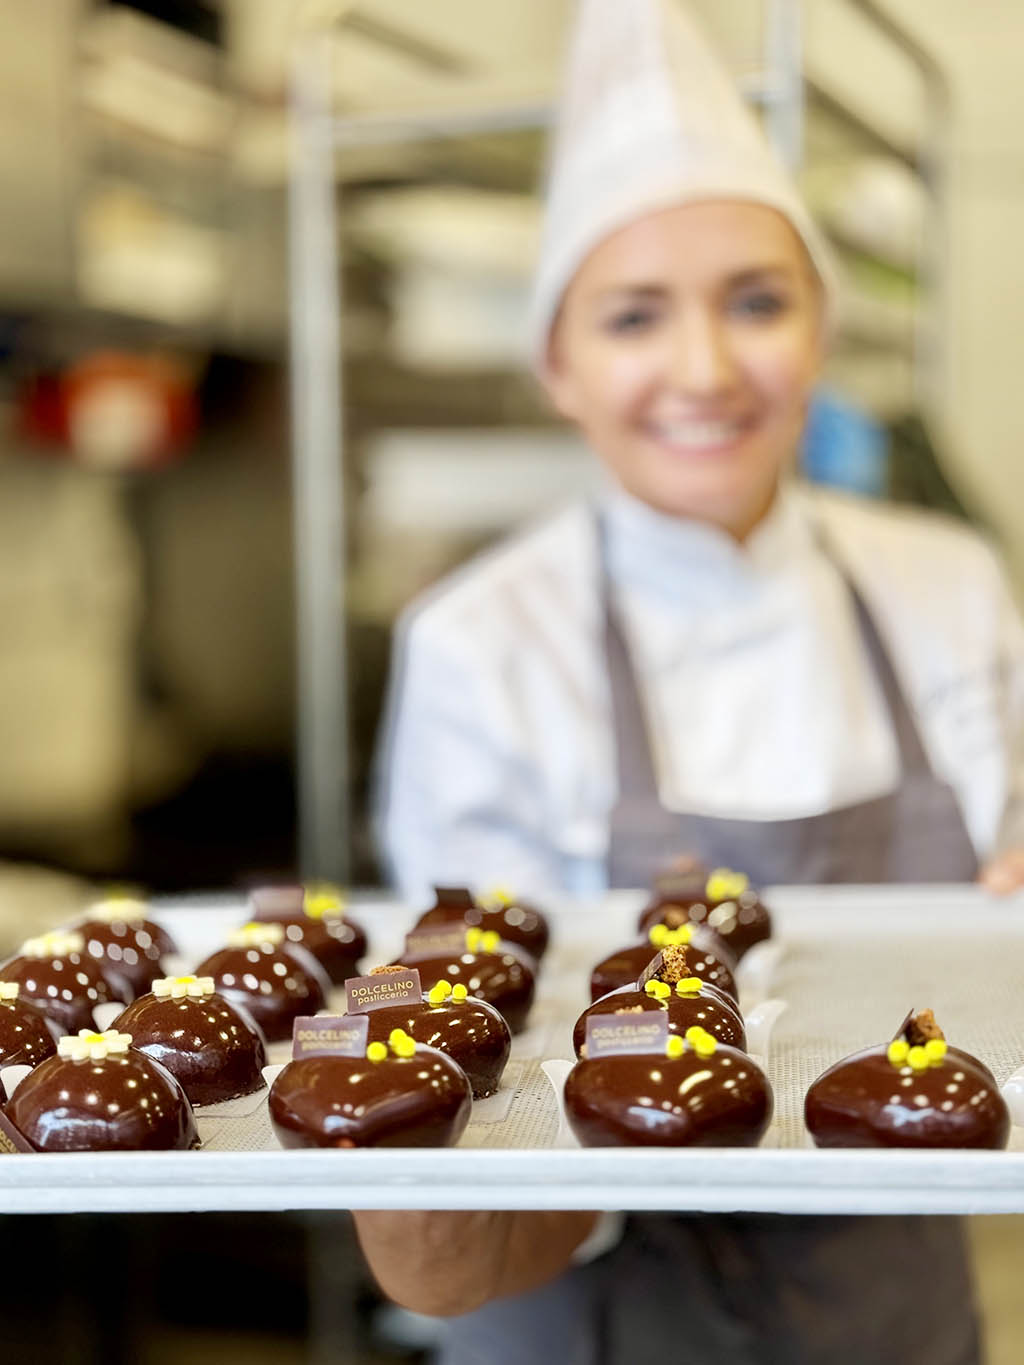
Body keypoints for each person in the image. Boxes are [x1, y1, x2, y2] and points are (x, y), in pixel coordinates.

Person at [362, 2, 1024, 1360]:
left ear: (820, 330)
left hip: (884, 1279)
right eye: (634, 316)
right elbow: (483, 1033)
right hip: (575, 1272)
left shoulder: (947, 581)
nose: (706, 369)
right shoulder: (480, 635)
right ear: (559, 363)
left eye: (758, 301)